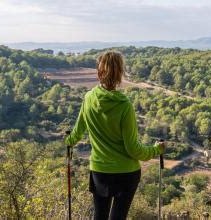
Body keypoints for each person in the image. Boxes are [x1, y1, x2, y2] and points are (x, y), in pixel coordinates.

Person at [64, 51, 166, 219]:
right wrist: (156, 150)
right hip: (126, 173)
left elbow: (76, 135)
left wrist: (67, 140)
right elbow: (133, 150)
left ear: (98, 73)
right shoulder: (124, 106)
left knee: (99, 216)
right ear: (120, 74)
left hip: (99, 171)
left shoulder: (88, 98)